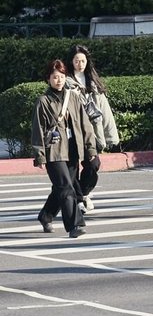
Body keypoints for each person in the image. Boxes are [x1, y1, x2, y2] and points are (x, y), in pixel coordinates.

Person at [31, 59, 98, 238]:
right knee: (66, 187)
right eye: (54, 77)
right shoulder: (43, 101)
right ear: (48, 79)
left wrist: (91, 149)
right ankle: (74, 225)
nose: (58, 80)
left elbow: (85, 125)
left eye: (61, 77)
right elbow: (38, 130)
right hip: (54, 151)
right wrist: (40, 156)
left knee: (60, 188)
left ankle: (45, 216)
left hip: (73, 150)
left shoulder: (73, 97)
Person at [64, 44, 118, 214]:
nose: (80, 64)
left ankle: (84, 193)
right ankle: (79, 200)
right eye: (77, 60)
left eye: (83, 60)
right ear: (71, 62)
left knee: (93, 165)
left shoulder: (93, 83)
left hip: (91, 132)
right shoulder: (66, 82)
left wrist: (110, 136)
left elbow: (105, 111)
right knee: (72, 168)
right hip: (73, 131)